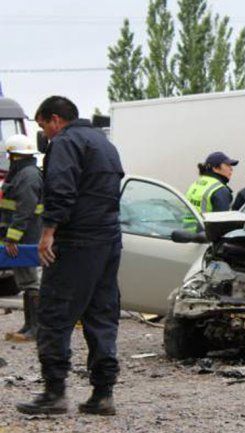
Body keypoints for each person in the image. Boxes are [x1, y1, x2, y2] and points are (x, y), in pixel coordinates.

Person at [17, 96, 124, 416]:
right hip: (108, 240)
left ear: (54, 119)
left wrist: (48, 232)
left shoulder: (65, 143)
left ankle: (54, 394)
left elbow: (61, 189)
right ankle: (103, 395)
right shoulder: (105, 144)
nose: (45, 135)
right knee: (101, 315)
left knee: (53, 315)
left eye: (43, 127)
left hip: (77, 241)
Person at [1, 134, 43, 343]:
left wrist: (12, 238)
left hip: (26, 236)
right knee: (25, 279)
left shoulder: (28, 176)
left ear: (15, 156)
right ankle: (29, 326)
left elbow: (24, 210)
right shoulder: (23, 174)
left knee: (29, 281)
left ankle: (35, 328)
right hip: (22, 235)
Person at [183, 151, 238, 230]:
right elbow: (221, 226)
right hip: (204, 238)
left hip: (187, 234)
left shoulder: (196, 183)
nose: (231, 169)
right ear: (215, 168)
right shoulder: (220, 189)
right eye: (227, 165)